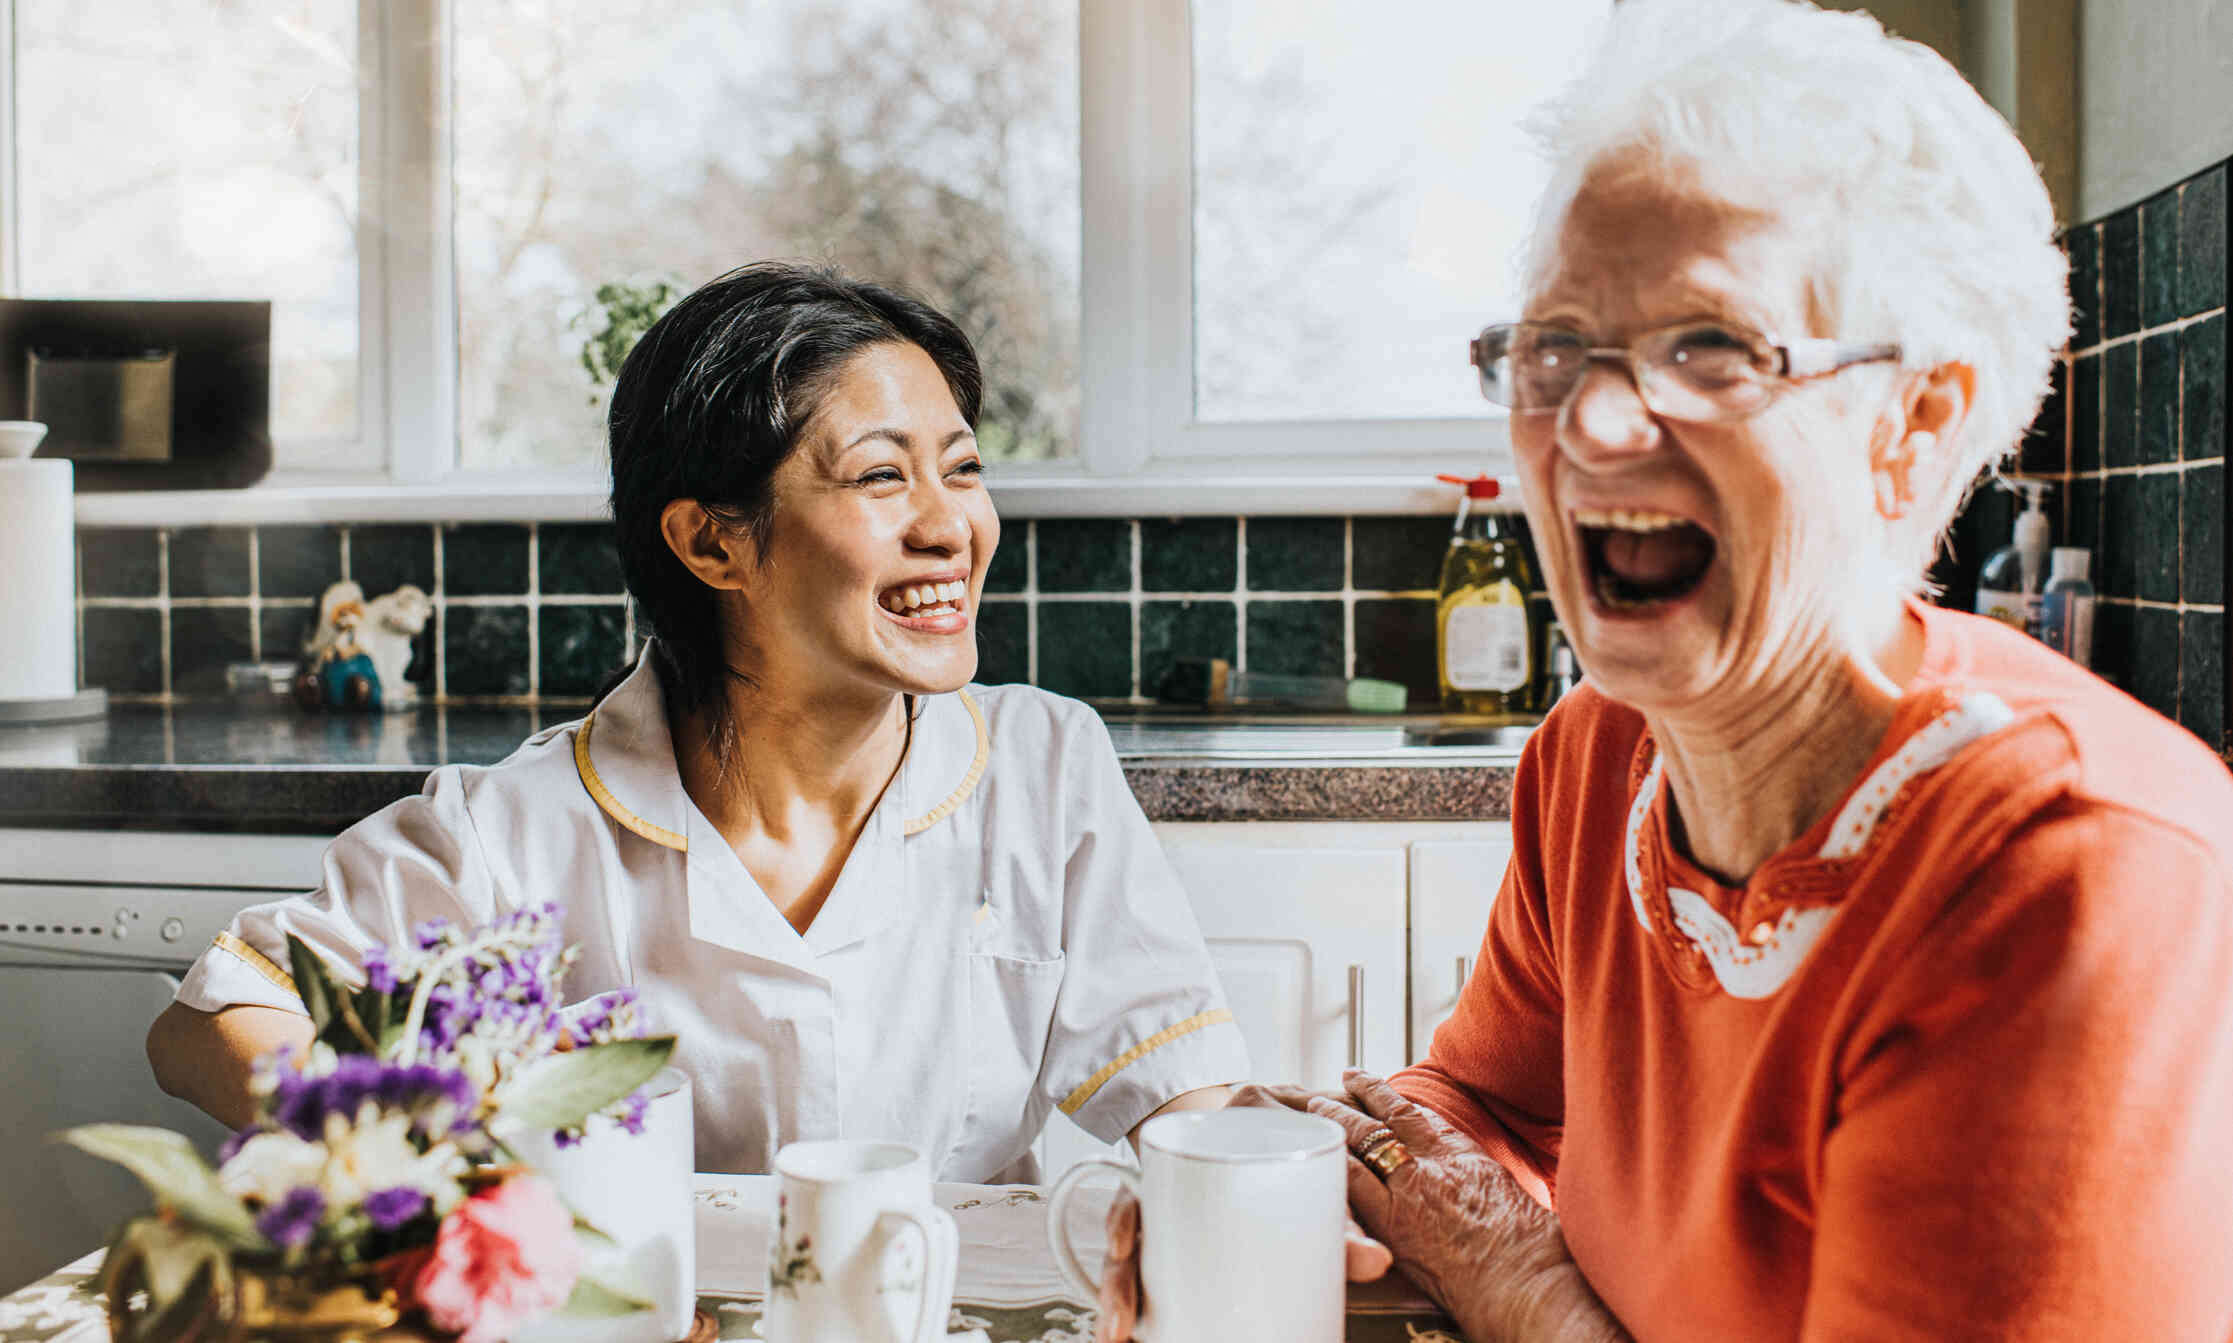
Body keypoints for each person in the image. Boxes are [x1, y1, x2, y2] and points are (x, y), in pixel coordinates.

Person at [1097, 1, 2233, 1338]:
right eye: (1553, 347)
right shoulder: (1601, 755)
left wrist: (1510, 1274)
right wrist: (1298, 1182)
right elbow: (1489, 1111)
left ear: (1911, 427)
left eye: (1708, 347)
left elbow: (1500, 1235)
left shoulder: (2066, 869)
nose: (1589, 419)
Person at [148, 262, 1246, 1181]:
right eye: (880, 476)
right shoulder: (517, 830)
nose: (950, 524)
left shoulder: (1044, 766)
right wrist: (405, 1144)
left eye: (961, 469)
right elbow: (214, 1015)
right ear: (713, 542)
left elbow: (1186, 1090)